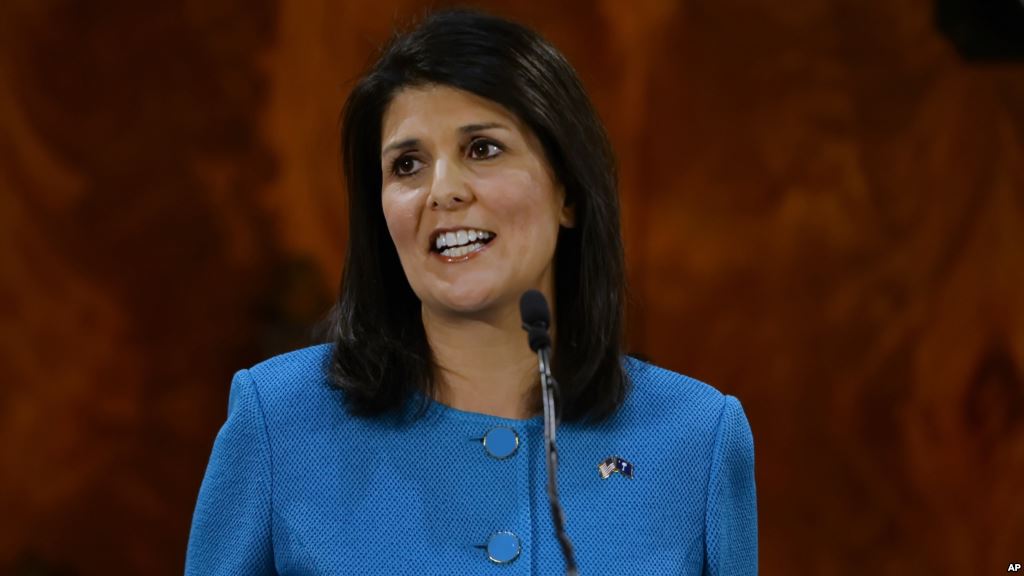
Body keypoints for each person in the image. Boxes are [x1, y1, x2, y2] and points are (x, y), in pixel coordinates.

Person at [185, 8, 757, 575]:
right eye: (407, 164)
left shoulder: (697, 436)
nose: (443, 191)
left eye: (482, 149)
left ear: (569, 191)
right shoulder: (279, 421)